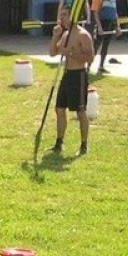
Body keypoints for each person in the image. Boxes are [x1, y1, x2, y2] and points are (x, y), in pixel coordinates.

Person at [48, 9, 95, 155]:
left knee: (80, 111)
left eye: (65, 15)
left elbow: (90, 58)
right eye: (60, 14)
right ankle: (59, 141)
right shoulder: (66, 34)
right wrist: (55, 37)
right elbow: (52, 52)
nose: (61, 18)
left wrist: (72, 53)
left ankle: (84, 144)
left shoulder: (83, 35)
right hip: (67, 74)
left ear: (73, 16)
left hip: (78, 75)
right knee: (59, 109)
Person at [91, 0, 121, 74]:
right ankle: (88, 66)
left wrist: (117, 26)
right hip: (102, 23)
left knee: (105, 46)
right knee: (96, 46)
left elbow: (114, 13)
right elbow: (95, 13)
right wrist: (99, 27)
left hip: (110, 23)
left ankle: (101, 66)